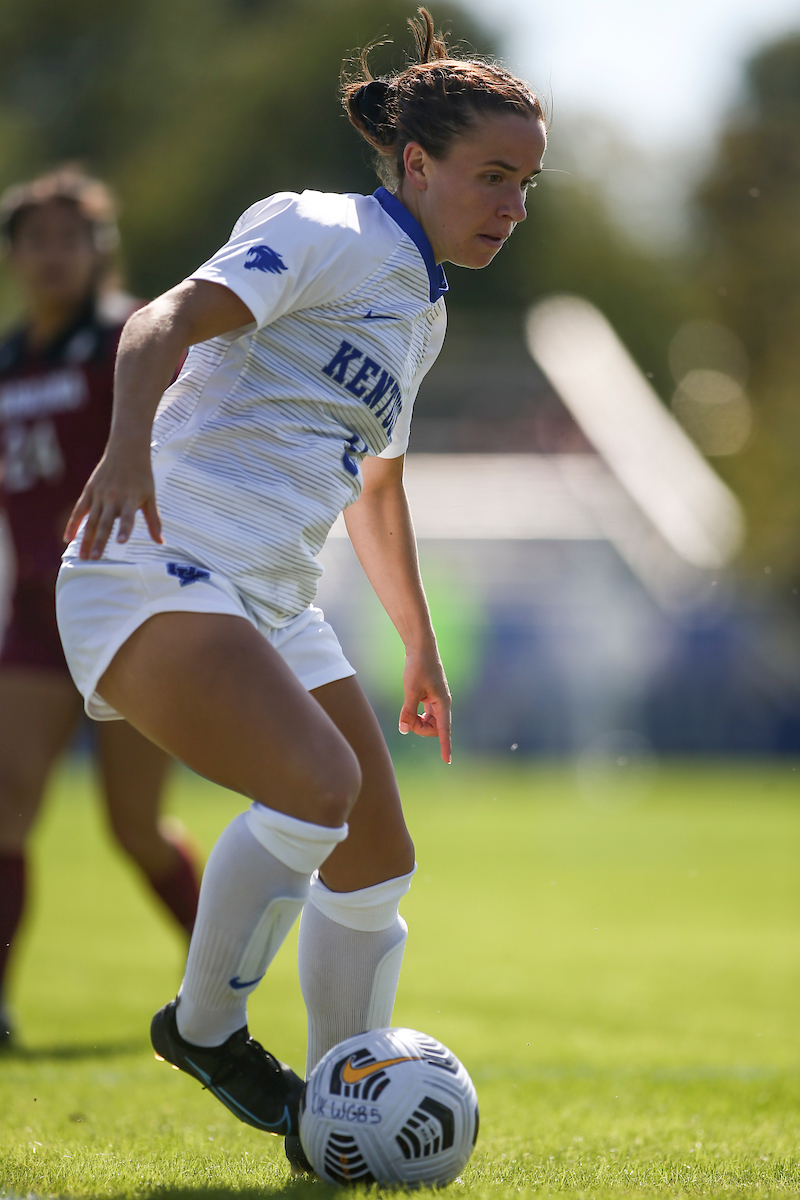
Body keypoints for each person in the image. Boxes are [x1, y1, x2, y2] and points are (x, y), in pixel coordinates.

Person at [56, 8, 546, 1173]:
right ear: (415, 164)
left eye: (526, 185)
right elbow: (157, 322)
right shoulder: (320, 228)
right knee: (316, 787)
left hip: (269, 597)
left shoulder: (419, 310)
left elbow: (375, 488)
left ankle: (338, 1116)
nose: (511, 207)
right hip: (153, 557)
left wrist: (415, 643)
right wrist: (125, 450)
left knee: (375, 860)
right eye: (490, 176)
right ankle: (205, 1029)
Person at [0, 167, 201, 1048]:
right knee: (4, 808)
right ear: (13, 256)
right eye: (34, 239)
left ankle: (221, 981)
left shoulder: (133, 341)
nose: (51, 255)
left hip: (131, 608)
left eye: (68, 238)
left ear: (98, 250)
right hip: (38, 616)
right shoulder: (8, 360)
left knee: (133, 830)